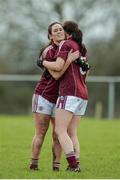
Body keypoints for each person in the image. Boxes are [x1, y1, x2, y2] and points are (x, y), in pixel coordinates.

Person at [30, 22, 79, 171]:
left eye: (61, 29)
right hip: (44, 96)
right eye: (55, 30)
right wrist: (69, 60)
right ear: (50, 36)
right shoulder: (48, 52)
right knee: (41, 133)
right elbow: (56, 75)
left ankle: (56, 168)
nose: (59, 31)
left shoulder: (67, 48)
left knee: (58, 134)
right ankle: (34, 164)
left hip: (60, 98)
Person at [43, 20, 89, 172]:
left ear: (67, 32)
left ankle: (73, 166)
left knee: (60, 130)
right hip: (82, 94)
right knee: (72, 133)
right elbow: (86, 71)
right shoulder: (82, 47)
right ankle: (75, 164)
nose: (59, 32)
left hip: (69, 92)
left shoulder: (66, 44)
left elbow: (57, 66)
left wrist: (43, 62)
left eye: (61, 29)